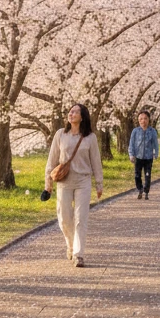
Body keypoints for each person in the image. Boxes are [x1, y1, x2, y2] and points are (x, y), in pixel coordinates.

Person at [45, 103, 103, 267]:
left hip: (83, 181)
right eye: (70, 112)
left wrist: (99, 183)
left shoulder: (90, 137)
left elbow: (96, 161)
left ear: (82, 117)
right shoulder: (60, 134)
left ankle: (79, 254)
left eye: (76, 112)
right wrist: (48, 183)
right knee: (64, 218)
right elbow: (52, 159)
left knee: (80, 218)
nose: (71, 114)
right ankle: (70, 245)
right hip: (64, 181)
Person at [128, 109, 159, 199]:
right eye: (141, 119)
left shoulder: (152, 131)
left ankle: (146, 191)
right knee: (137, 175)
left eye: (145, 118)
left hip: (148, 157)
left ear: (148, 120)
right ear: (138, 120)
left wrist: (156, 153)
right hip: (138, 157)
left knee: (147, 175)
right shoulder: (135, 131)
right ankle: (140, 189)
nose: (143, 121)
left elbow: (155, 143)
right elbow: (131, 144)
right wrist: (131, 154)